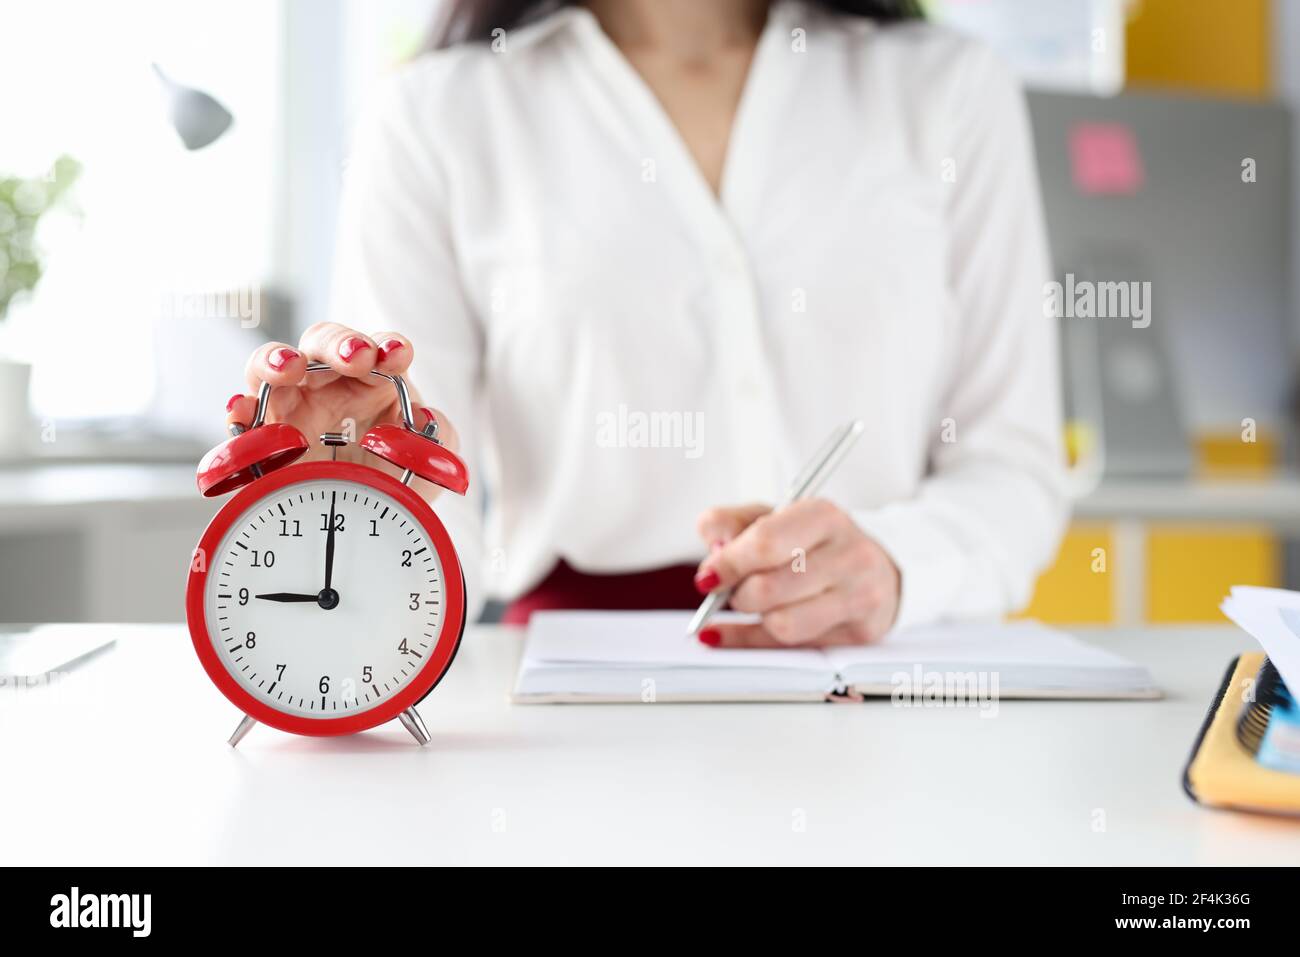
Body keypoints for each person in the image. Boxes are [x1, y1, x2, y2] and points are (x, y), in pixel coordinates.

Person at [225, 0, 1067, 648]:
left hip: (897, 677)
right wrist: (337, 491)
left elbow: (1015, 469)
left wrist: (894, 563)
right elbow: (416, 489)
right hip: (575, 701)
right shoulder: (436, 113)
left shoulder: (946, 86)